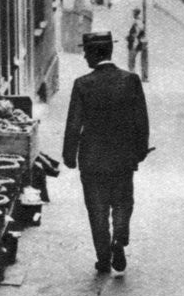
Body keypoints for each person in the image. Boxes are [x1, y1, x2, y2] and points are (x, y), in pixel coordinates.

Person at [63, 31, 150, 274]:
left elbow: (73, 124)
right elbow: (141, 121)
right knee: (123, 202)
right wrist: (140, 151)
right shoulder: (130, 80)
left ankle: (103, 258)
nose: (83, 57)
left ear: (92, 54)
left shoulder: (82, 84)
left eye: (85, 53)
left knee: (97, 210)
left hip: (92, 161)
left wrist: (69, 155)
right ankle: (119, 240)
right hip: (123, 158)